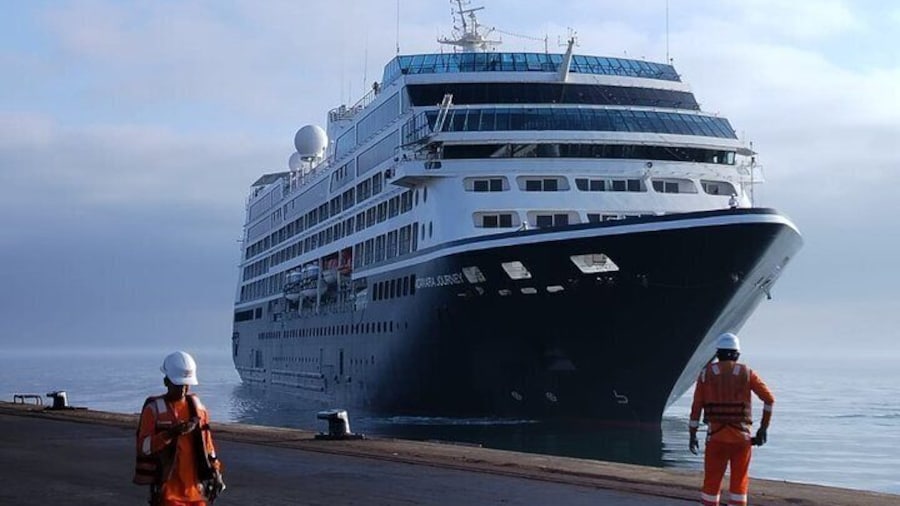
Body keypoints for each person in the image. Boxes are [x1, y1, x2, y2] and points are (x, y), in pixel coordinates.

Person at [689, 333, 774, 506]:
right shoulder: (747, 373)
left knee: (711, 483)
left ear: (718, 353)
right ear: (737, 354)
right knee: (739, 484)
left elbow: (696, 407)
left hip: (715, 438)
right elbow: (769, 400)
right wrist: (763, 428)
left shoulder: (705, 375)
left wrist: (692, 434)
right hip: (741, 440)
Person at [134, 351, 225, 505]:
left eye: (185, 385)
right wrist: (170, 434)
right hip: (168, 495)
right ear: (166, 382)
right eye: (178, 384)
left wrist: (216, 471)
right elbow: (144, 447)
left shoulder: (199, 410)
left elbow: (208, 446)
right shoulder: (154, 410)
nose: (183, 389)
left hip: (196, 493)